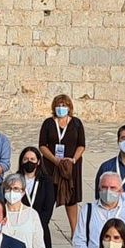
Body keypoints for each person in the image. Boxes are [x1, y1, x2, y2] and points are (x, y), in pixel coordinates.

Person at [38, 94, 86, 236]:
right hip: (51, 166)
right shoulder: (48, 123)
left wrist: (73, 159)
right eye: (58, 105)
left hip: (70, 167)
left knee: (71, 198)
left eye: (64, 105)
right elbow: (42, 145)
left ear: (69, 107)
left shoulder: (76, 123)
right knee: (48, 196)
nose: (61, 108)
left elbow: (81, 145)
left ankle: (74, 231)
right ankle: (42, 226)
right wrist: (55, 160)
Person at [16, 146, 57, 248]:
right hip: (19, 229)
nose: (29, 162)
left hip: (40, 229)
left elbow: (48, 209)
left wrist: (34, 225)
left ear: (38, 161)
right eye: (26, 159)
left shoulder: (47, 181)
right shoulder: (15, 180)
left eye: (32, 159)